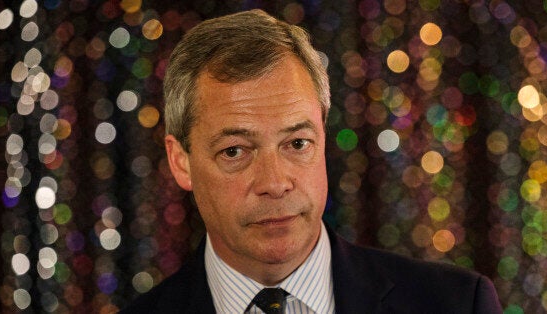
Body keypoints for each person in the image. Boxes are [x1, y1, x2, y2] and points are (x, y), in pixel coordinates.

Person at [121, 9, 503, 314]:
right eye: (235, 151)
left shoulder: (456, 303)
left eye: (297, 143)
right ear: (181, 161)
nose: (275, 182)